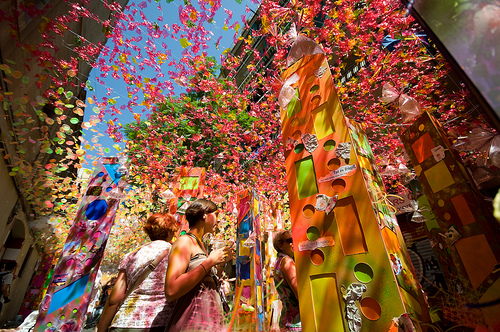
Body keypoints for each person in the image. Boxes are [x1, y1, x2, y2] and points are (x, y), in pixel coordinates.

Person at [97, 213, 179, 332]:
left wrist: (101, 329)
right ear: (171, 231)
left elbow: (114, 299)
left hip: (124, 322)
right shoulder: (176, 254)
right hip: (160, 322)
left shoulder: (132, 255)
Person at [164, 199, 234, 332]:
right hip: (191, 323)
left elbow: (204, 284)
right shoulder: (184, 242)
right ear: (204, 214)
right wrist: (210, 262)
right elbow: (171, 290)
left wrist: (220, 265)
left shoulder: (201, 245)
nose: (219, 221)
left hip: (208, 323)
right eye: (217, 215)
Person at [273, 230, 301, 332]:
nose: (294, 243)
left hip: (288, 319)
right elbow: (299, 291)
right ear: (280, 245)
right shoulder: (287, 262)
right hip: (295, 322)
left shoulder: (279, 262)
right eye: (290, 240)